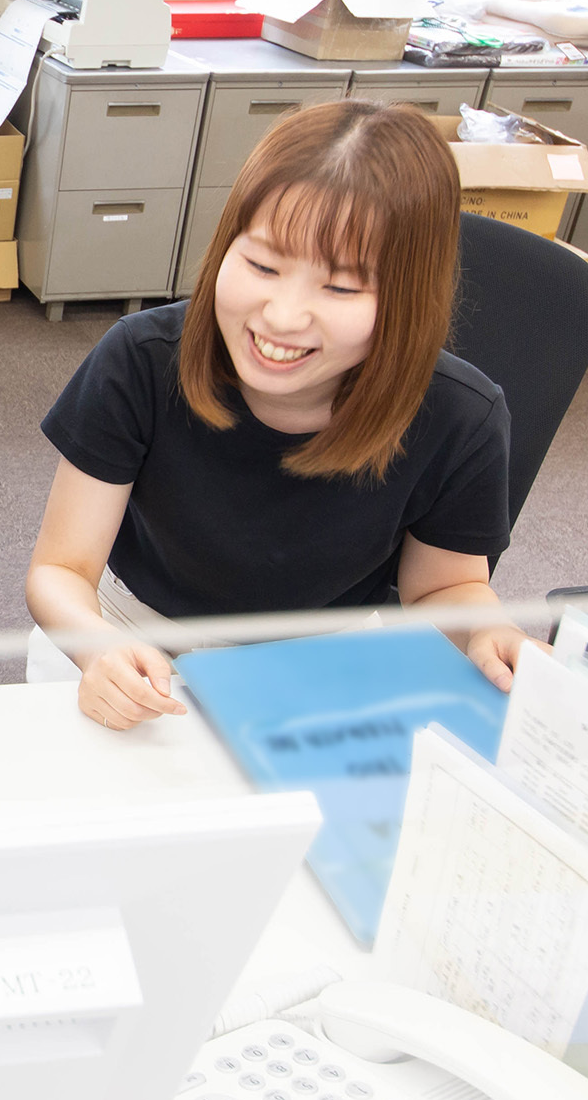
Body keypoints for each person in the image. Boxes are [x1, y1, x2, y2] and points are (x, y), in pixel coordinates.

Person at [26, 99, 537, 732]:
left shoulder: (462, 418)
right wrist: (92, 644)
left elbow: (442, 587)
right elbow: (60, 570)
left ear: (409, 297)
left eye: (342, 288)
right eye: (263, 265)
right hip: (131, 633)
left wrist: (487, 629)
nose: (283, 316)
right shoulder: (140, 359)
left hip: (321, 663)